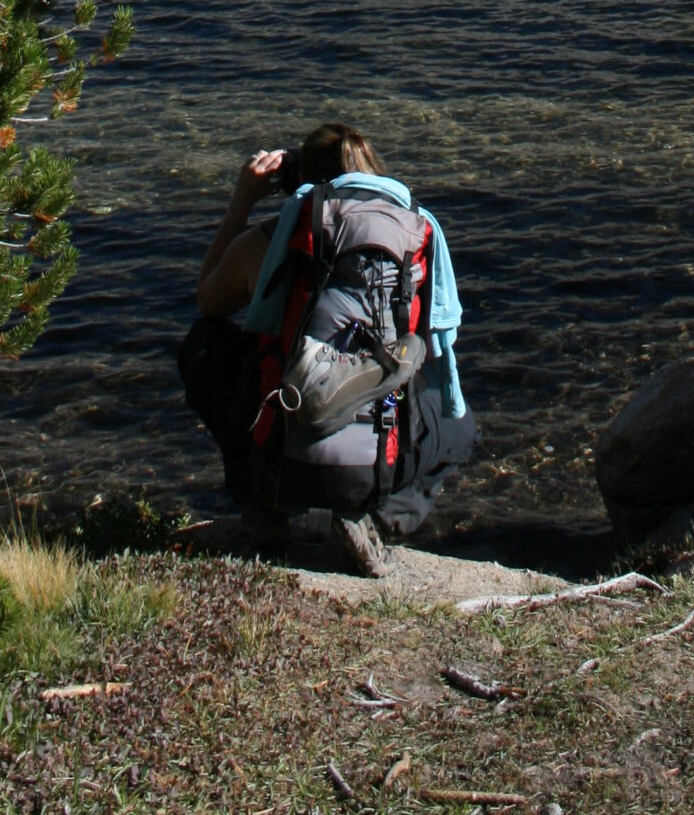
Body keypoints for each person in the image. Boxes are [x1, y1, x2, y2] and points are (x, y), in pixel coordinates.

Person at [177, 121, 477, 574]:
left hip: (278, 451)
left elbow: (207, 300)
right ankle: (376, 516)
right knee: (462, 424)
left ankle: (265, 509)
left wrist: (243, 199)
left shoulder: (274, 241)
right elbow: (435, 349)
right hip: (376, 462)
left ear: (301, 184)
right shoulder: (414, 239)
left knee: (205, 344)